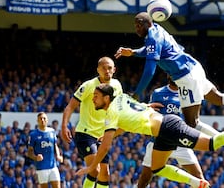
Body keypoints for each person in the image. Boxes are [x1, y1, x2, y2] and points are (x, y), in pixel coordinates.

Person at [114, 12, 224, 168]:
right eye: (135, 25)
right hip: (194, 67)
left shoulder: (152, 37)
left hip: (185, 78)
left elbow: (149, 71)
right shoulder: (157, 29)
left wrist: (136, 94)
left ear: (147, 24)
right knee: (218, 98)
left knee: (192, 123)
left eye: (138, 25)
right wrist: (134, 52)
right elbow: (152, 49)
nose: (136, 28)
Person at [75, 84, 224, 188]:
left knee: (211, 144)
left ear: (106, 98)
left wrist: (92, 166)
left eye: (96, 97)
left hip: (169, 127)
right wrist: (147, 107)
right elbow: (127, 123)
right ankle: (197, 183)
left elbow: (106, 146)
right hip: (161, 133)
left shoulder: (111, 113)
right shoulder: (123, 99)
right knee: (157, 168)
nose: (93, 99)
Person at [61, 56, 123, 188]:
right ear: (98, 70)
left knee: (105, 174)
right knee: (95, 170)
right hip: (86, 133)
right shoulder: (89, 85)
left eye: (110, 68)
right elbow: (70, 106)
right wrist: (64, 126)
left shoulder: (117, 86)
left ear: (114, 70)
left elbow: (120, 108)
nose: (107, 71)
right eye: (103, 68)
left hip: (103, 135)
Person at [138, 77, 204, 188]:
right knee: (145, 178)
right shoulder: (158, 93)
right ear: (168, 75)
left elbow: (193, 119)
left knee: (198, 177)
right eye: (171, 74)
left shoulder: (188, 94)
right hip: (159, 140)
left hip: (181, 141)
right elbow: (150, 114)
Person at [27, 112, 63, 188]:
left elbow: (55, 145)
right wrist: (36, 157)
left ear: (47, 120)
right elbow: (29, 152)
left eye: (44, 118)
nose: (42, 120)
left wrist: (58, 155)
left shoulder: (52, 131)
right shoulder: (33, 134)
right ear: (37, 121)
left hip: (53, 166)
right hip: (41, 168)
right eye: (40, 119)